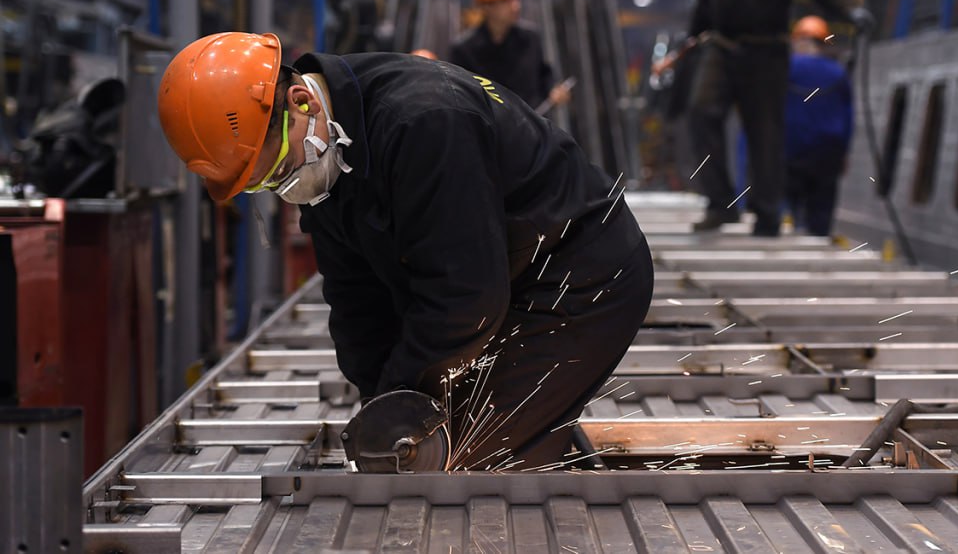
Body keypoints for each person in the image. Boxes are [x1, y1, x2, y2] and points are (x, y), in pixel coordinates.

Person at [157, 31, 653, 470]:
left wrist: (402, 399)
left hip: (580, 277)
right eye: (265, 184)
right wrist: (379, 404)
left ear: (301, 101)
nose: (286, 188)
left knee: (473, 459)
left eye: (281, 171)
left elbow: (466, 298)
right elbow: (355, 299)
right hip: (505, 272)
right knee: (434, 439)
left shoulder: (424, 121)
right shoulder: (324, 148)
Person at [681, 0, 871, 236]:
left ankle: (766, 213)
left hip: (766, 50)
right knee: (700, 112)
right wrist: (692, 36)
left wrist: (850, 10)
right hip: (722, 44)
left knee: (764, 131)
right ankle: (720, 203)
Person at [449, 0, 571, 113]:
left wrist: (554, 89)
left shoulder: (531, 39)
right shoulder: (464, 50)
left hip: (531, 123)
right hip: (490, 127)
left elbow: (545, 75)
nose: (515, 6)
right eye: (506, 0)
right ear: (486, 6)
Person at [784, 16, 853, 236]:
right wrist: (844, 152)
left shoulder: (788, 67)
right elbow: (848, 116)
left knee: (789, 212)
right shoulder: (838, 72)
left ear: (798, 40)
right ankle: (818, 238)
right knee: (821, 213)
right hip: (828, 151)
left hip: (792, 150)